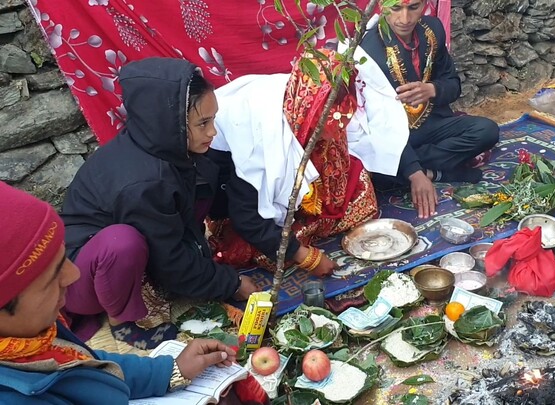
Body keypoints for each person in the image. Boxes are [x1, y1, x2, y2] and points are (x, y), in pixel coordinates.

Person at [0, 181, 269, 404]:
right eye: (50, 278)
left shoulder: (36, 337)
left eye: (63, 258)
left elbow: (89, 364)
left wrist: (170, 371)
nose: (74, 275)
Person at [60, 57, 260, 348]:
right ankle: (123, 323)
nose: (213, 132)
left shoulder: (170, 148)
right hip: (82, 276)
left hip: (130, 257)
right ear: (170, 123)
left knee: (207, 174)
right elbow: (169, 262)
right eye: (203, 123)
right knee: (122, 242)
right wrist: (231, 283)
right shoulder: (144, 183)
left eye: (213, 119)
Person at [207, 49, 408, 275]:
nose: (332, 132)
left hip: (290, 191)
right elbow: (247, 218)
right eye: (322, 124)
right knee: (261, 252)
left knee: (362, 189)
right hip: (237, 204)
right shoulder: (259, 140)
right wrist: (305, 256)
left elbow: (337, 162)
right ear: (307, 114)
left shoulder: (312, 99)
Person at [360, 0, 500, 219]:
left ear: (424, 4)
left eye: (413, 7)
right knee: (370, 169)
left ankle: (420, 171)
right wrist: (415, 173)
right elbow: (375, 123)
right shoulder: (368, 49)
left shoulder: (432, 29)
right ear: (381, 5)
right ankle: (437, 171)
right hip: (389, 136)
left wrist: (432, 89)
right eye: (395, 8)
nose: (404, 19)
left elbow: (453, 84)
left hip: (431, 123)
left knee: (487, 131)